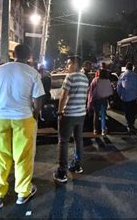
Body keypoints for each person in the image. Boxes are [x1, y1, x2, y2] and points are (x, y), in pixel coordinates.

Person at [0, 44, 45, 211]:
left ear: (13, 54)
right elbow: (38, 98)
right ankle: (23, 193)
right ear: (30, 55)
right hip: (23, 118)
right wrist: (35, 114)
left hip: (1, 118)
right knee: (23, 157)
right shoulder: (32, 73)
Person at [53, 56, 89, 184]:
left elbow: (63, 96)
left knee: (63, 141)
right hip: (81, 114)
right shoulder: (85, 78)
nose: (67, 66)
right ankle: (77, 165)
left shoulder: (70, 77)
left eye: (68, 64)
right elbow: (85, 96)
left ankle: (62, 172)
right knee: (78, 140)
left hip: (69, 115)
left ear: (74, 64)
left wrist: (59, 111)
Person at [87, 69, 113, 135]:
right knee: (103, 115)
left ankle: (95, 129)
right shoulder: (107, 80)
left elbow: (91, 90)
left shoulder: (96, 80)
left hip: (96, 99)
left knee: (96, 114)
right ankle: (103, 130)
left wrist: (90, 100)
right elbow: (110, 91)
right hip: (104, 99)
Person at [117, 62, 137, 132]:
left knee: (127, 112)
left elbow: (119, 86)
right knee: (133, 112)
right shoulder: (135, 75)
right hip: (133, 97)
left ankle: (129, 125)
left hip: (125, 97)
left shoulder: (122, 75)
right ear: (132, 68)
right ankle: (132, 124)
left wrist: (119, 94)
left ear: (126, 67)